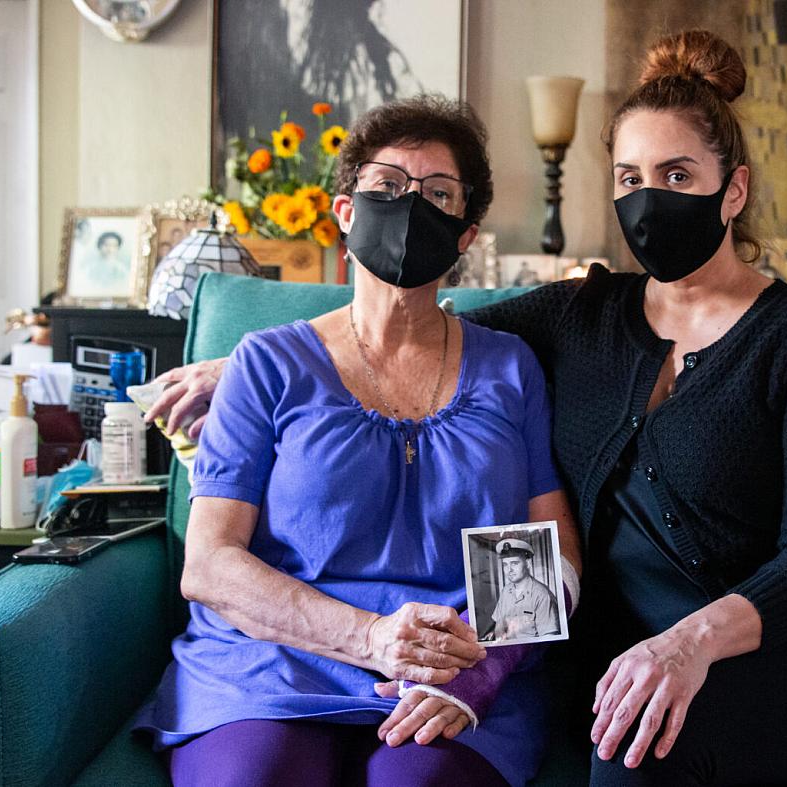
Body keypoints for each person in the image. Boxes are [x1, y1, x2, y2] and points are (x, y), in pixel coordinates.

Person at [149, 30, 787, 785]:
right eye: (629, 177)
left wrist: (676, 645)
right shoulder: (579, 315)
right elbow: (414, 328)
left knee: (624, 765)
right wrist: (247, 362)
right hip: (598, 656)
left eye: (677, 173)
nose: (649, 198)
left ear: (733, 190)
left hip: (766, 645)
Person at [133, 95, 583, 787]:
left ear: (465, 235)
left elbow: (547, 550)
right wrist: (369, 637)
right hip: (272, 664)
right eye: (388, 187)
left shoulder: (507, 366)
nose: (411, 206)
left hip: (448, 671)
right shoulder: (266, 362)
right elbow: (210, 563)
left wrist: (479, 673)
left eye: (438, 194)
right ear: (345, 212)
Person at [488, 538, 560, 641]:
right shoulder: (506, 591)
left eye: (514, 563)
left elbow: (548, 640)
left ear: (528, 563)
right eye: (505, 564)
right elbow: (499, 627)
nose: (509, 570)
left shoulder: (542, 594)